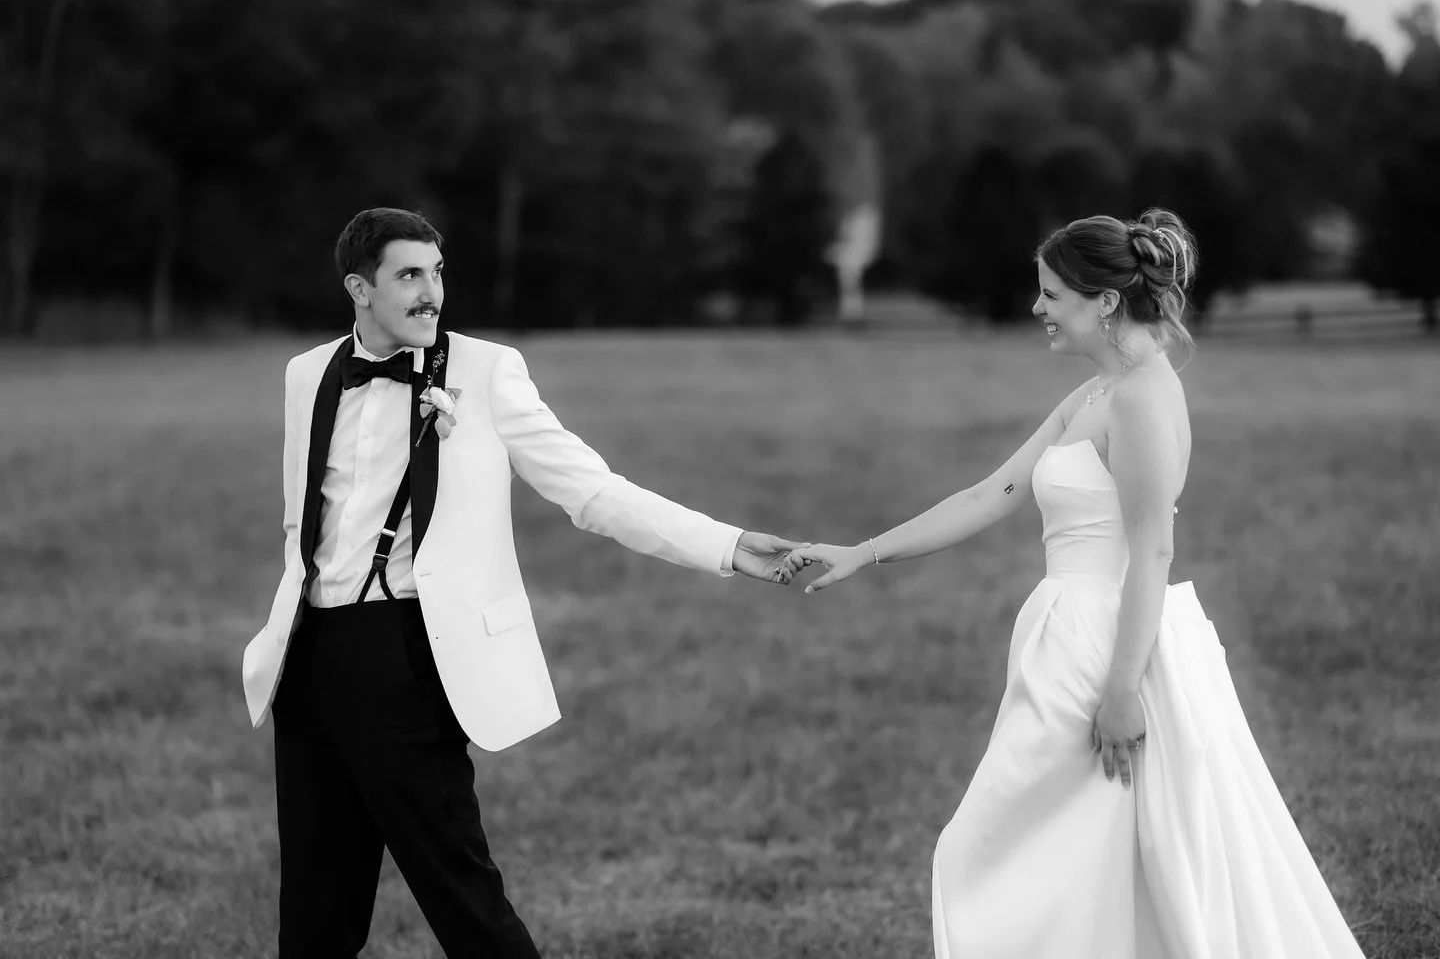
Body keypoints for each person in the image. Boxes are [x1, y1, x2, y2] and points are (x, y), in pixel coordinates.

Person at [792, 209, 1367, 958]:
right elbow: (989, 494)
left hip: (1109, 646)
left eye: (1052, 295)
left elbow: (1152, 551)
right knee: (1080, 858)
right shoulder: (1097, 393)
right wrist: (863, 552)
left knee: (990, 852)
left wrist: (1124, 689)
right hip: (1066, 639)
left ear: (1103, 300)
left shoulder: (1143, 398)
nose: (1038, 309)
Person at [240, 207, 805, 958]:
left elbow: (593, 492)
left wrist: (728, 546)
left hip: (405, 655)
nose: (431, 293)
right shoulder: (305, 374)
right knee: (314, 912)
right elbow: (303, 521)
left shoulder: (485, 372)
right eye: (410, 275)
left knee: (461, 894)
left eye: (437, 273)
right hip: (307, 662)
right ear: (359, 287)